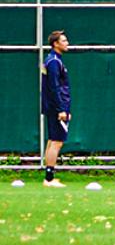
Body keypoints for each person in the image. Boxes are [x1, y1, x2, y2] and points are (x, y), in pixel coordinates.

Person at [40, 30, 71, 188]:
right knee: (57, 142)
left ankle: (49, 176)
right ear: (55, 44)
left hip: (54, 106)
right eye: (64, 41)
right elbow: (54, 87)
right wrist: (61, 109)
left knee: (52, 140)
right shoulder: (53, 62)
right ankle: (49, 179)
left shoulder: (54, 60)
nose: (67, 43)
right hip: (55, 108)